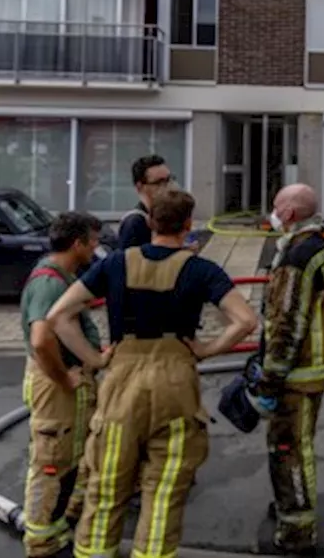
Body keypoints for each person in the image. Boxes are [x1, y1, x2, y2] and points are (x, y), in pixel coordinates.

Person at [47, 189, 258, 558]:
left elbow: (58, 317)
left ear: (150, 223)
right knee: (163, 493)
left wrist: (95, 360)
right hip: (177, 385)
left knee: (106, 486)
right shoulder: (200, 269)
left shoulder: (115, 263)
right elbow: (245, 321)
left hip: (120, 384)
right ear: (188, 226)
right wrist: (207, 350)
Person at [251, 183, 324, 555]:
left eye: (276, 206)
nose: (272, 213)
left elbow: (287, 322)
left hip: (297, 374)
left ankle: (296, 529)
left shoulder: (298, 257)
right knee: (299, 442)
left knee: (288, 447)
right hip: (320, 365)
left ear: (290, 213)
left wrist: (269, 377)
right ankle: (291, 509)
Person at [18, 212, 105, 558]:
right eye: (93, 242)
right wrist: (63, 377)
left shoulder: (59, 276)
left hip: (63, 381)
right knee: (51, 461)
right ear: (77, 243)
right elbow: (41, 340)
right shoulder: (50, 283)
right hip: (55, 385)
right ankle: (41, 541)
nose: (96, 248)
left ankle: (58, 527)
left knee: (70, 457)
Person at [117, 154, 174, 250]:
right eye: (159, 182)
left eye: (169, 180)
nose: (167, 186)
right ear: (140, 186)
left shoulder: (164, 217)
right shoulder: (135, 223)